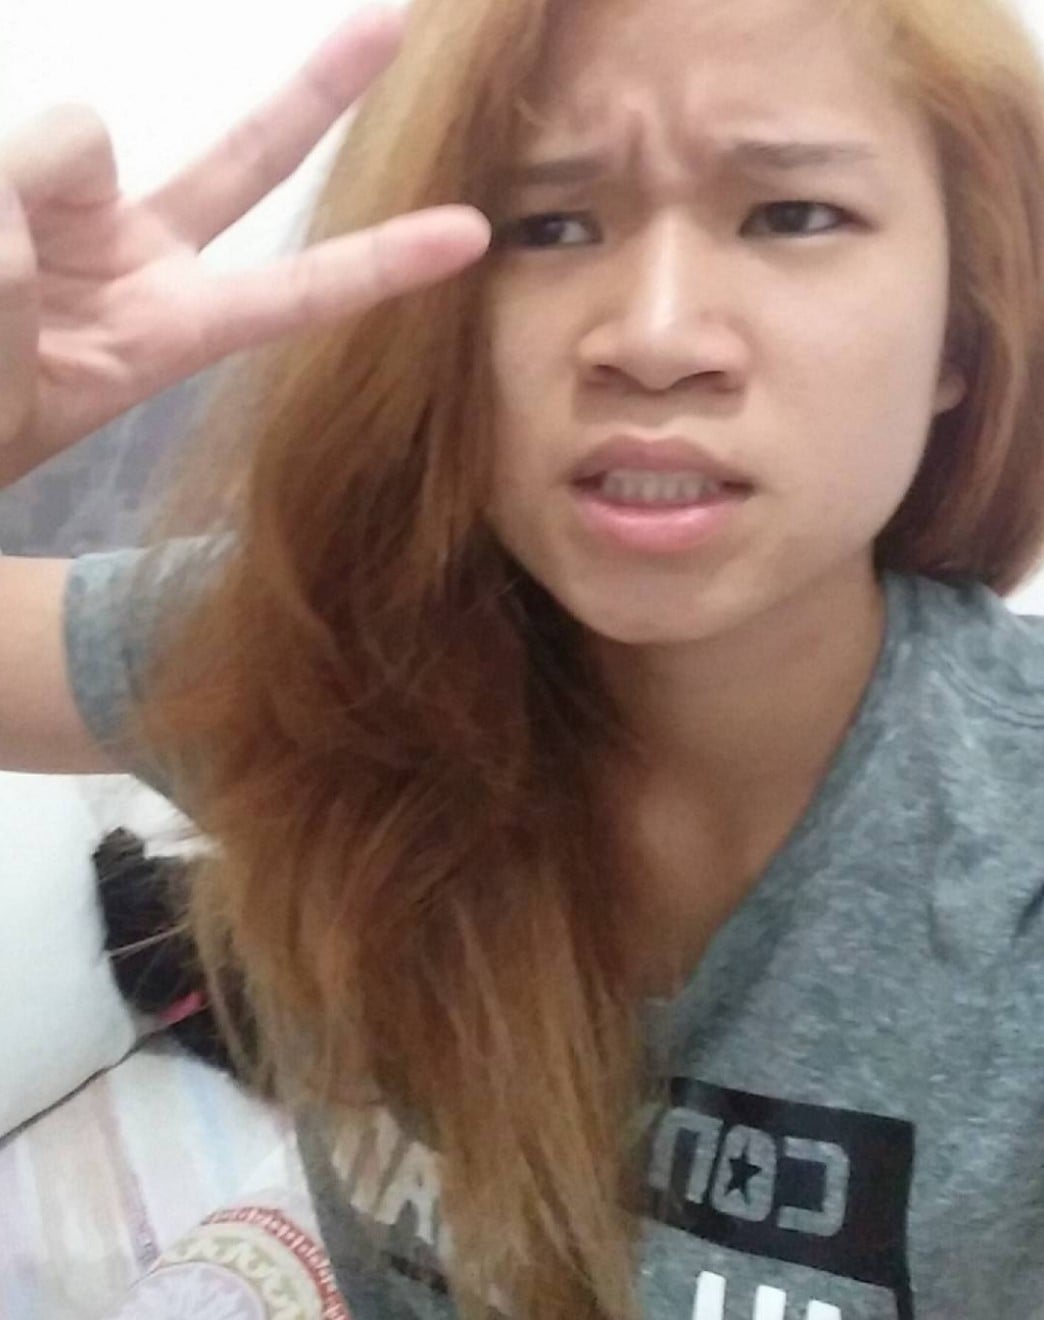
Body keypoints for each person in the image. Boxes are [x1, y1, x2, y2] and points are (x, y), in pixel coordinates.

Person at [3, 0, 1044, 1313]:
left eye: (793, 215)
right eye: (547, 226)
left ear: (964, 328)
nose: (654, 338)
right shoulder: (322, 658)